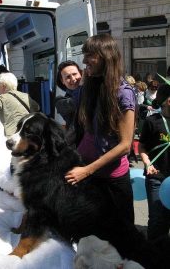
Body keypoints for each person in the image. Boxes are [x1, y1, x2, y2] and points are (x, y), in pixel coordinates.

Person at [64, 34, 136, 224]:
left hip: (111, 181)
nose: (84, 60)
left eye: (90, 55)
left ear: (106, 57)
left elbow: (125, 145)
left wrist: (87, 170)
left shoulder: (123, 93)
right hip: (86, 176)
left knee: (120, 239)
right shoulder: (90, 87)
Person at [138, 84, 170, 241]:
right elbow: (142, 146)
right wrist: (147, 163)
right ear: (167, 101)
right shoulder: (152, 121)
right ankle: (154, 255)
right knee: (158, 221)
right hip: (157, 177)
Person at [0, 72, 39, 137]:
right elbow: (37, 107)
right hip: (27, 136)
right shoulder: (25, 96)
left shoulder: (2, 98)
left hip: (11, 138)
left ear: (3, 85)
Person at [55, 60, 82, 146]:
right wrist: (84, 84)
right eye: (68, 77)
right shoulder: (60, 101)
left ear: (81, 74)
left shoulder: (90, 91)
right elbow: (77, 100)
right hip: (77, 145)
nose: (73, 79)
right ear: (62, 81)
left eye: (75, 74)